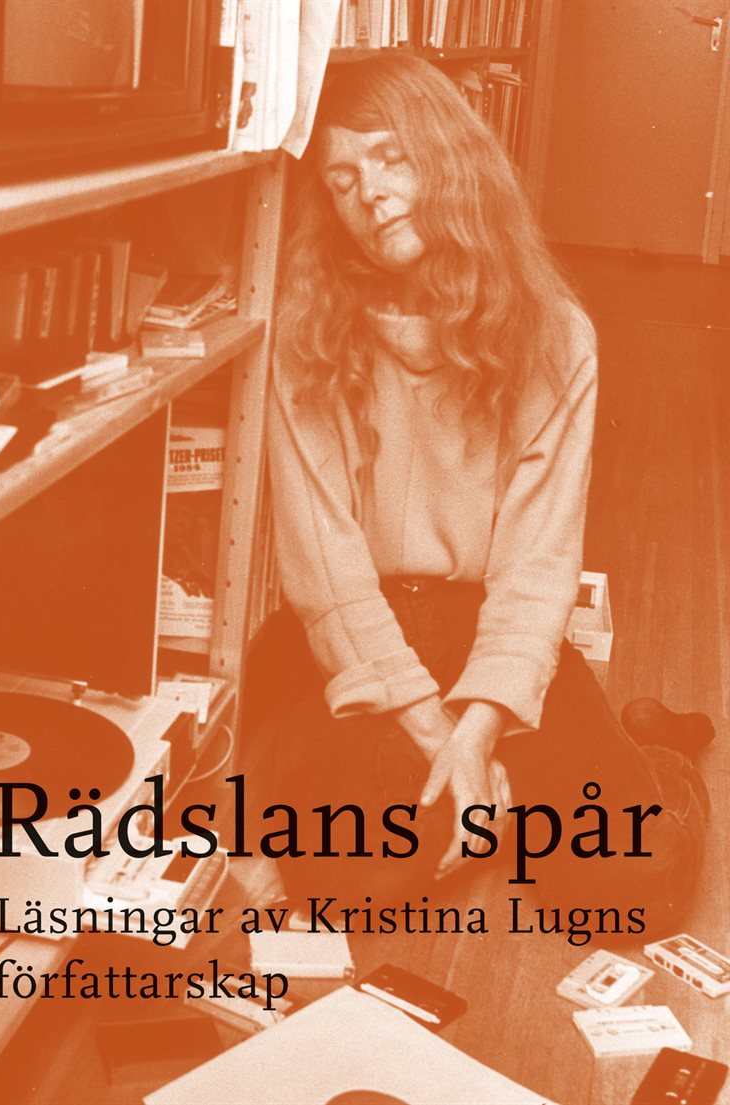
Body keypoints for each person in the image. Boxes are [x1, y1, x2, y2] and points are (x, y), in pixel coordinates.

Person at [244, 55, 710, 939]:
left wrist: (478, 730)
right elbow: (328, 572)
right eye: (342, 178)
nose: (370, 192)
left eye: (391, 157)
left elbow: (535, 568)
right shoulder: (306, 335)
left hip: (487, 623)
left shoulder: (557, 336)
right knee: (352, 879)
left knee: (633, 884)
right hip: (357, 637)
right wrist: (439, 736)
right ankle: (502, 800)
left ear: (447, 162)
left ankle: (660, 757)